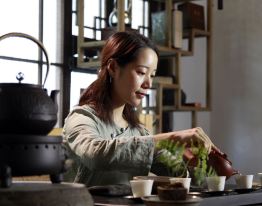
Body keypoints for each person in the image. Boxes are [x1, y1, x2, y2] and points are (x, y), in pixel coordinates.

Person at [62, 31, 218, 186]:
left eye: (152, 75)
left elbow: (180, 175)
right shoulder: (81, 118)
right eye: (141, 72)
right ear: (113, 67)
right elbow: (95, 154)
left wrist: (195, 159)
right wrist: (172, 138)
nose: (148, 84)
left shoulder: (138, 131)